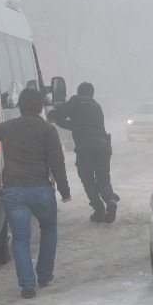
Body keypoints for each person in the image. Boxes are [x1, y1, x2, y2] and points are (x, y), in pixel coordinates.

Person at [0, 88, 71, 299]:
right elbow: (57, 163)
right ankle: (44, 275)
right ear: (41, 106)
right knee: (49, 229)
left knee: (20, 239)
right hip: (41, 190)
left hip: (13, 192)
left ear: (19, 106)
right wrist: (64, 190)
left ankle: (27, 285)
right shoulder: (47, 130)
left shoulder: (7, 128)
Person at [48, 82, 119, 224]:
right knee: (103, 178)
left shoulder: (77, 100)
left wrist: (52, 115)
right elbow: (79, 125)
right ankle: (111, 200)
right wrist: (61, 122)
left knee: (86, 177)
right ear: (92, 94)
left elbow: (61, 113)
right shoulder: (97, 106)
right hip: (104, 145)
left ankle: (98, 210)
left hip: (86, 146)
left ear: (79, 92)